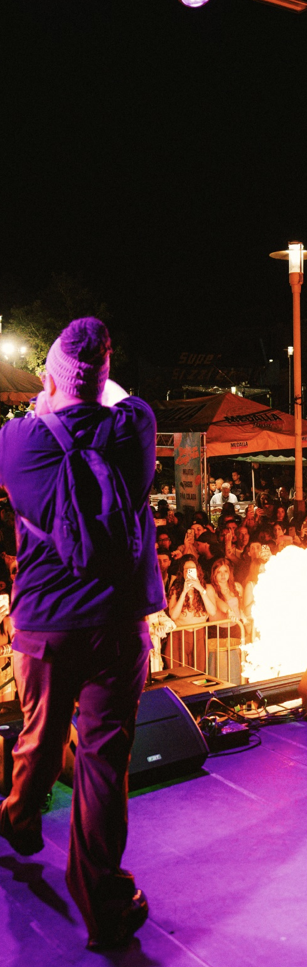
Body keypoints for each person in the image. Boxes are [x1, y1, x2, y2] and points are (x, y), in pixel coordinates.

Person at [0, 317, 164, 950]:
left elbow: (55, 409)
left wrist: (48, 401)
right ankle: (103, 903)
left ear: (49, 377)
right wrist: (86, 387)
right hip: (117, 627)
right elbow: (112, 398)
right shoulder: (135, 427)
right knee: (102, 761)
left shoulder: (17, 440)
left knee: (39, 735)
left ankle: (18, 818)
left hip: (44, 625)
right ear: (104, 375)